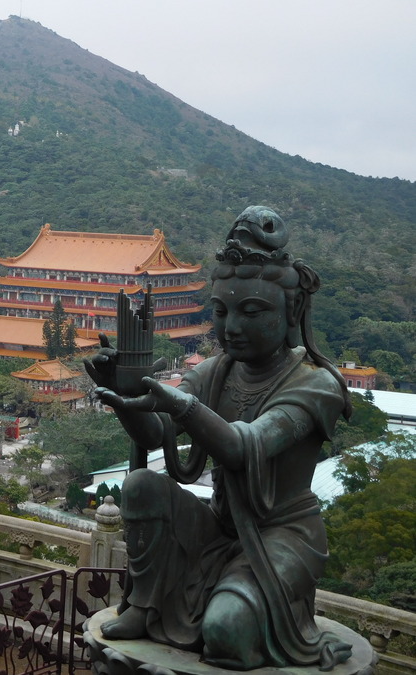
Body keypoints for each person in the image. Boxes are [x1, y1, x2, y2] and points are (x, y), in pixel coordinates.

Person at [85, 206, 353, 670]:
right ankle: (145, 605)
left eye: (252, 312)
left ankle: (247, 610)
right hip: (220, 525)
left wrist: (180, 405)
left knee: (226, 631)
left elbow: (241, 447)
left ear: (291, 312)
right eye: (222, 311)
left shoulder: (315, 384)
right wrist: (125, 397)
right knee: (141, 485)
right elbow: (155, 433)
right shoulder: (215, 371)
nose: (231, 328)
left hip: (282, 535)